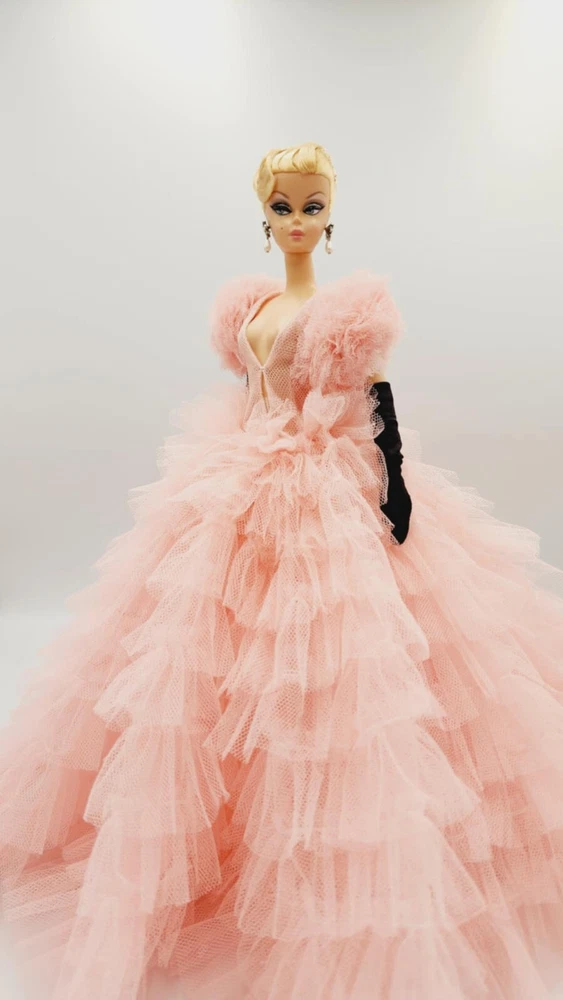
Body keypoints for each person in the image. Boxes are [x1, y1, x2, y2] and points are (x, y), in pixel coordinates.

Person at [1, 141, 563, 1000]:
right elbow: (253, 392)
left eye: (310, 205)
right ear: (263, 213)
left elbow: (377, 402)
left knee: (333, 650)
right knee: (195, 648)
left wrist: (395, 484)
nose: (296, 220)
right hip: (241, 473)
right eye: (281, 206)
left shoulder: (345, 313)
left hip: (324, 481)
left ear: (329, 214)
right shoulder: (252, 306)